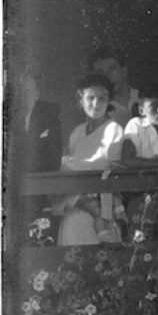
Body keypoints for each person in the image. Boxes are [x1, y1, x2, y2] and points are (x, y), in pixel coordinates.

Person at [57, 73, 123, 245]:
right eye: (90, 98)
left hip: (103, 204)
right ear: (81, 98)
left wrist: (65, 162)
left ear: (109, 101)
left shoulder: (113, 129)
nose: (96, 104)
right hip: (76, 203)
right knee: (71, 223)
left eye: (102, 99)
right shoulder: (77, 132)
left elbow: (102, 164)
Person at [85, 46, 138, 123]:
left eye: (112, 70)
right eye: (101, 73)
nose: (107, 76)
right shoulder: (98, 111)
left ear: (124, 71)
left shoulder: (143, 99)